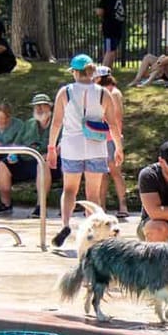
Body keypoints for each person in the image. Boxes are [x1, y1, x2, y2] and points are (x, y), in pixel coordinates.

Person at [46, 54, 123, 247]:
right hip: (96, 146)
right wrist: (118, 148)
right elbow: (113, 124)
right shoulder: (103, 93)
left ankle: (65, 223)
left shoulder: (66, 92)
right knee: (93, 195)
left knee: (69, 190)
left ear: (74, 72)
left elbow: (56, 123)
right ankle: (94, 234)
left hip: (72, 146)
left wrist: (51, 147)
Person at [0, 93, 58, 217]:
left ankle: (40, 207)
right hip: (26, 159)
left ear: (49, 107)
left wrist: (49, 154)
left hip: (49, 163)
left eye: (42, 106)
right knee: (3, 165)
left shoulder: (57, 124)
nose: (39, 109)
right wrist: (12, 155)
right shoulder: (28, 124)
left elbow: (61, 145)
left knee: (42, 163)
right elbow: (16, 144)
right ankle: (5, 204)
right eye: (36, 107)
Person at [94, 65, 129, 218]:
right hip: (103, 137)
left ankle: (123, 206)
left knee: (114, 172)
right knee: (103, 174)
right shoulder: (106, 92)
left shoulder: (112, 93)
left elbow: (116, 117)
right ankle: (101, 207)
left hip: (110, 138)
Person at [127, 22, 168, 87]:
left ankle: (148, 81)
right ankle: (137, 79)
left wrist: (158, 63)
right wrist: (159, 61)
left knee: (163, 61)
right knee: (148, 57)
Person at [96, 0, 127, 68]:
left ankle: (109, 71)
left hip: (117, 29)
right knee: (109, 51)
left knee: (113, 51)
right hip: (110, 29)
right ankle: (102, 72)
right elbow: (99, 11)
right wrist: (103, 22)